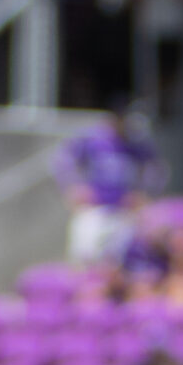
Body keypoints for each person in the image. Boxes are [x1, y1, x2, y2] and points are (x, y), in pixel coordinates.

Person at [54, 106, 156, 265]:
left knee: (118, 261)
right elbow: (63, 161)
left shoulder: (134, 144)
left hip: (123, 210)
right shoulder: (93, 140)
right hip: (94, 206)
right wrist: (73, 187)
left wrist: (144, 192)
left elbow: (155, 168)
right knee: (84, 256)